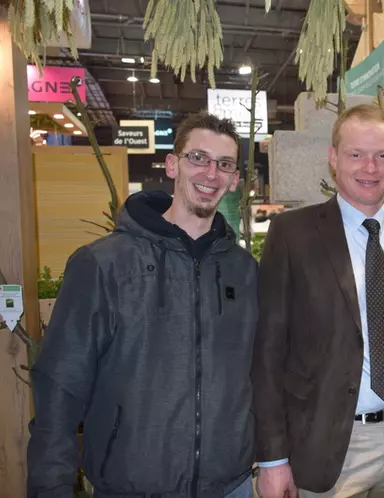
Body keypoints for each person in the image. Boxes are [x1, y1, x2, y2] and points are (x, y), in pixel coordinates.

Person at [27, 112, 258, 498]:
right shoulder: (104, 263)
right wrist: (51, 487)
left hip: (229, 485)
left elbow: (258, 375)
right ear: (172, 164)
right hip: (132, 485)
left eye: (224, 164)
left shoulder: (244, 271)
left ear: (234, 180)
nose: (210, 174)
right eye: (197, 158)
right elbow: (60, 387)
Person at [252, 104, 384, 498]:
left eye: (382, 155)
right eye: (356, 154)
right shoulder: (292, 234)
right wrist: (272, 458)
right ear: (333, 158)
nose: (370, 168)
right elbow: (268, 352)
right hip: (329, 442)